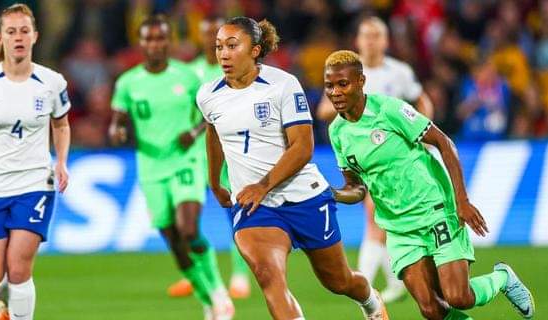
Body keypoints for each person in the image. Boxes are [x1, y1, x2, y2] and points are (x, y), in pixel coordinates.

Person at [197, 17, 388, 320]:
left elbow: (302, 147)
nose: (223, 54)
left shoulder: (283, 85)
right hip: (255, 206)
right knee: (268, 275)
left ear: (255, 50)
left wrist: (263, 184)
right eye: (220, 46)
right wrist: (215, 181)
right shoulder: (208, 94)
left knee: (338, 281)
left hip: (304, 197)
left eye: (233, 46)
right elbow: (213, 132)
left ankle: (370, 301)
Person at [325, 50, 535, 320]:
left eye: (343, 84)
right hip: (398, 227)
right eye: (329, 85)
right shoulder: (337, 132)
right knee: (431, 310)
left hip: (434, 209)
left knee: (458, 296)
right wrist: (333, 193)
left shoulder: (389, 109)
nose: (336, 92)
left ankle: (502, 277)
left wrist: (462, 201)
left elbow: (444, 143)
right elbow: (357, 187)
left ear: (361, 81)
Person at [108, 15, 233, 320]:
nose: (155, 44)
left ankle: (218, 292)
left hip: (185, 161)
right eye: (149, 39)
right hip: (150, 167)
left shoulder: (187, 77)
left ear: (169, 41)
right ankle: (207, 299)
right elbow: (117, 122)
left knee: (189, 229)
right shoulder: (128, 83)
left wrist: (192, 133)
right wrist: (116, 132)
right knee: (173, 241)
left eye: (161, 38)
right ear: (141, 43)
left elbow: (211, 113)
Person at [0, 4, 71, 320]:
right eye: (11, 31)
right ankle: (6, 304)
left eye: (24, 31)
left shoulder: (52, 82)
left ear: (34, 36)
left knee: (19, 268)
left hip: (34, 183)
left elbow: (61, 124)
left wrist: (61, 162)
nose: (18, 37)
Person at [316, 16, 434, 303]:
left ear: (385, 40)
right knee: (376, 220)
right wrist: (350, 107)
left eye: (376, 35)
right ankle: (375, 285)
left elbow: (422, 100)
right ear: (358, 40)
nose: (370, 41)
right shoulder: (344, 74)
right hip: (365, 158)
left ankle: (375, 285)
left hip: (397, 158)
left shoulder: (399, 72)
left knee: (384, 221)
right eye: (365, 35)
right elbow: (322, 112)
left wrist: (422, 127)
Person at [167, 14, 251, 300]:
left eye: (212, 35)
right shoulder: (188, 72)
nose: (206, 40)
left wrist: (196, 129)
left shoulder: (232, 71)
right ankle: (195, 274)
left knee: (233, 213)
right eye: (204, 34)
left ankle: (240, 276)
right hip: (192, 155)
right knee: (187, 220)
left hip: (226, 152)